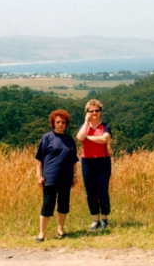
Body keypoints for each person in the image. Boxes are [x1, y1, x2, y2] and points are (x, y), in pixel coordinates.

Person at [35, 109, 79, 242]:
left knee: (63, 204)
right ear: (53, 123)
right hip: (50, 177)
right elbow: (39, 159)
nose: (61, 124)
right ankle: (41, 233)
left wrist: (75, 175)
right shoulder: (47, 138)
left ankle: (60, 229)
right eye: (58, 122)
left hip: (66, 177)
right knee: (47, 205)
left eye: (63, 122)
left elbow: (74, 159)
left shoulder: (69, 139)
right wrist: (39, 175)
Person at [76, 99, 112, 231]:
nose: (94, 113)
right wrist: (86, 122)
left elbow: (104, 139)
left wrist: (88, 138)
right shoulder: (84, 126)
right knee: (90, 192)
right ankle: (95, 220)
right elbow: (80, 137)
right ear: (87, 112)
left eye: (97, 110)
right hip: (87, 161)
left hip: (103, 161)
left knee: (102, 190)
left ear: (101, 112)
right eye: (91, 111)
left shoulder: (105, 126)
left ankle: (104, 218)